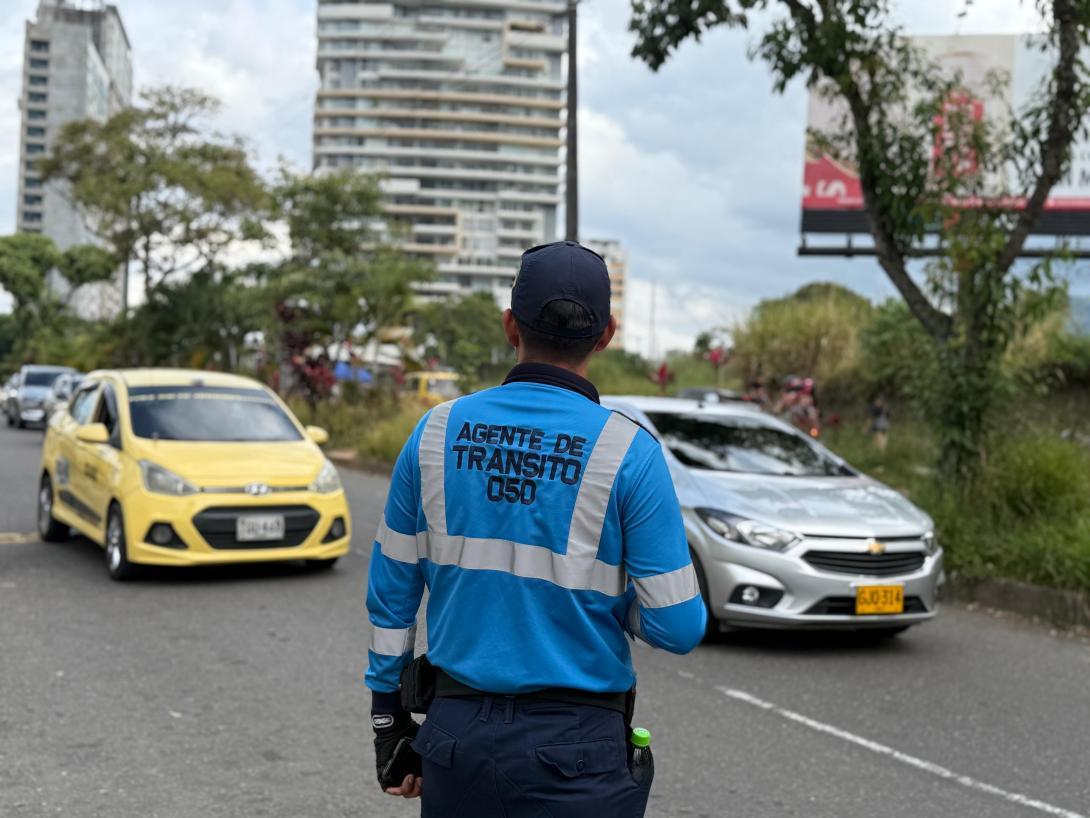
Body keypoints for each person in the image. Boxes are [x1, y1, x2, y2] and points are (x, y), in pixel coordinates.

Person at [365, 240, 707, 817]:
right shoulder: (629, 452)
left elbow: (391, 598)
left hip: (456, 741)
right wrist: (602, 592)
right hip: (579, 752)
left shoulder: (433, 432)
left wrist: (387, 722)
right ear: (606, 335)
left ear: (509, 326)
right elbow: (679, 626)